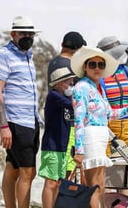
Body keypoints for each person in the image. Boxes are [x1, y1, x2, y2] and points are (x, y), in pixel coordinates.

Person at [70, 46, 128, 208]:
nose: (97, 68)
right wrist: (79, 149)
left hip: (101, 136)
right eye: (92, 64)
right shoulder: (81, 87)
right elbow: (79, 119)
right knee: (94, 187)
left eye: (101, 65)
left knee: (100, 185)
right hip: (90, 138)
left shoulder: (98, 88)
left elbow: (110, 114)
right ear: (85, 66)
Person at [0, 15, 42, 208]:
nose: (28, 37)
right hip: (17, 122)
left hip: (31, 120)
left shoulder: (28, 55)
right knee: (28, 173)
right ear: (13, 34)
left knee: (13, 168)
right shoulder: (3, 55)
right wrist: (4, 126)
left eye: (31, 33)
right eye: (23, 33)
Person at [47, 31, 87, 179]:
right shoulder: (72, 66)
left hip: (56, 119)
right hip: (69, 122)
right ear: (78, 48)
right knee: (67, 172)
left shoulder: (54, 62)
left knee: (56, 174)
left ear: (62, 44)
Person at [39, 67, 76, 208]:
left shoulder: (64, 97)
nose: (71, 86)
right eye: (70, 83)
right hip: (52, 146)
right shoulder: (54, 96)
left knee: (59, 182)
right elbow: (73, 105)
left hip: (62, 146)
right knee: (51, 182)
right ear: (61, 84)